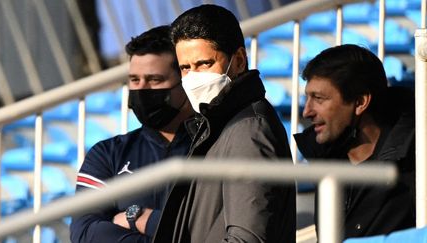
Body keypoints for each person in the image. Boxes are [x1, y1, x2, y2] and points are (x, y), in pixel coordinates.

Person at [152, 4, 296, 243]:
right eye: (185, 68)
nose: (193, 77)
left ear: (238, 60)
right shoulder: (219, 125)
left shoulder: (249, 130)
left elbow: (247, 238)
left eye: (204, 64)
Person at [70, 25, 193, 243]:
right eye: (135, 80)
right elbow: (85, 232)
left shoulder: (216, 146)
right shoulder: (106, 154)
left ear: (184, 81)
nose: (142, 89)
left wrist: (141, 219)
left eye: (155, 80)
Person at [294, 44, 415, 240]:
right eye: (307, 98)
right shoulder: (323, 157)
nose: (306, 112)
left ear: (360, 102)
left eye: (319, 98)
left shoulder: (417, 157)